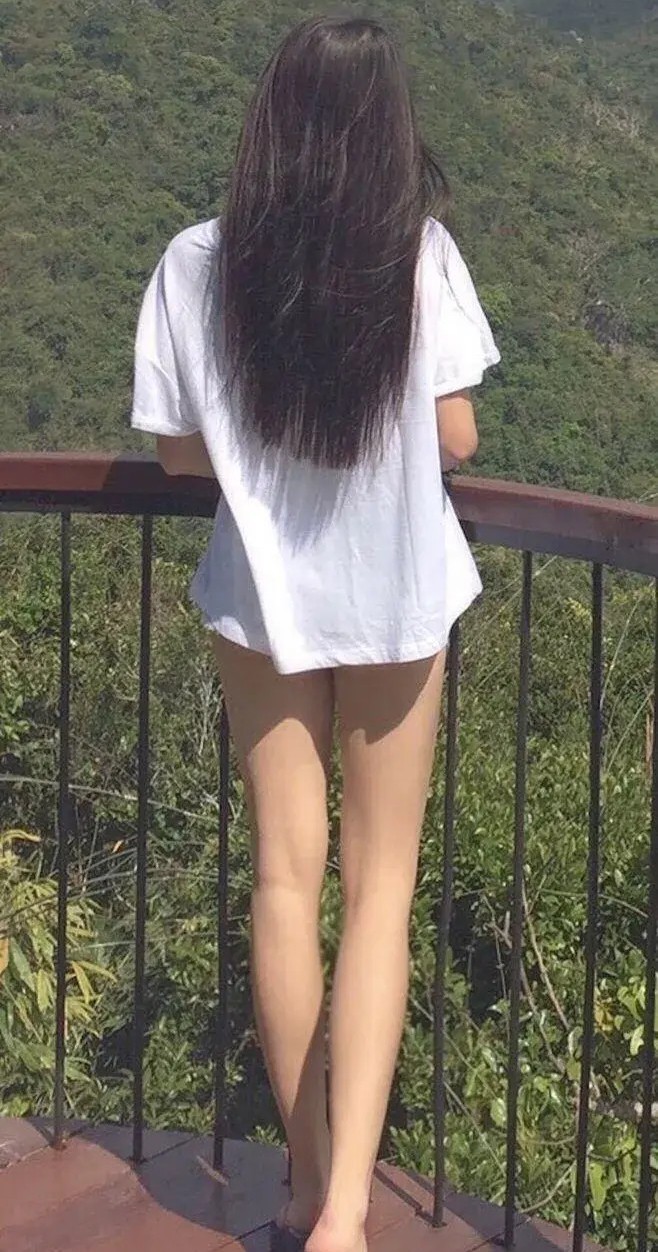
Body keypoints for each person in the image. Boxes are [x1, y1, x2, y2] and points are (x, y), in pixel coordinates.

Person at [131, 16, 499, 1252]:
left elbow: (176, 451)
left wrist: (258, 445)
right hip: (394, 596)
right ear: (386, 129)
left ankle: (300, 1181)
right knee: (377, 889)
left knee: (283, 878)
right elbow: (456, 436)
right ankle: (348, 1214)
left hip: (261, 600)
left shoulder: (197, 262)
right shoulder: (416, 256)